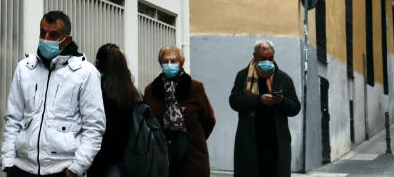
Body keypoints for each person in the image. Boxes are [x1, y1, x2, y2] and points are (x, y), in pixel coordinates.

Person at [1, 11, 106, 176]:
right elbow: (13, 117)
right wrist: (8, 162)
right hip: (22, 169)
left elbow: (94, 127)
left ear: (67, 40)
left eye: (53, 35)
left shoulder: (85, 73)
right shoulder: (25, 68)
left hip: (62, 169)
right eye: (43, 32)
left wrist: (76, 169)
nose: (46, 38)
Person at [229, 39, 300, 177]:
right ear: (254, 56)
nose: (268, 62)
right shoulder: (243, 76)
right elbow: (234, 101)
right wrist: (259, 100)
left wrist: (281, 101)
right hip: (250, 141)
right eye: (263, 58)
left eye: (271, 58)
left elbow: (295, 107)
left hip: (276, 143)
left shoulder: (283, 78)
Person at [143, 45, 215, 177]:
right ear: (160, 64)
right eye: (165, 61)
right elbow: (147, 122)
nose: (169, 64)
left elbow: (209, 119)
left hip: (192, 155)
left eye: (173, 61)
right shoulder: (151, 90)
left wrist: (196, 139)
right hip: (162, 155)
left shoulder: (195, 87)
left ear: (181, 63)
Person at [88, 44, 140, 177]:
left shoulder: (96, 90)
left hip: (96, 160)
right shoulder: (133, 93)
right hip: (123, 159)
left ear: (97, 63)